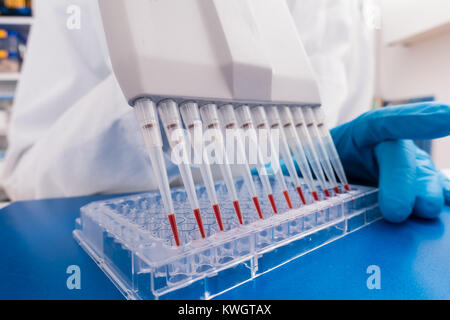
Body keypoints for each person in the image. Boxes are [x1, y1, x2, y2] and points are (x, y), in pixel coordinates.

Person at [2, 0, 449, 223]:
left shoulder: (347, 9)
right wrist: (155, 98)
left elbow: (323, 130)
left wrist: (335, 164)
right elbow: (25, 180)